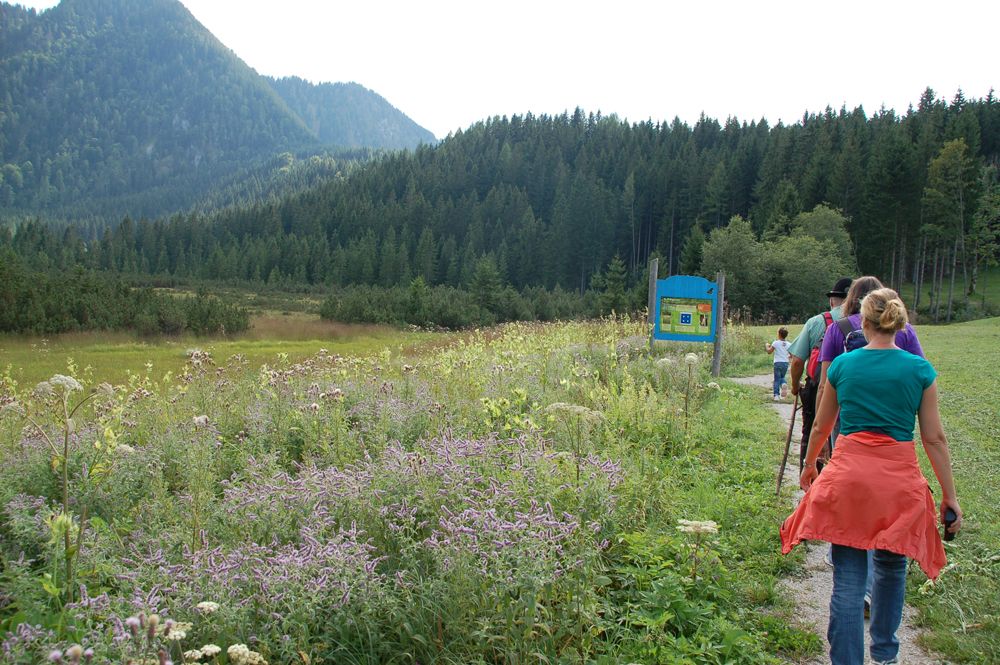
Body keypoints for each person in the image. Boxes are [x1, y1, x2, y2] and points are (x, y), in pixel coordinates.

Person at [780, 288, 962, 665]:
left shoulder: (844, 366)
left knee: (848, 580)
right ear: (900, 325)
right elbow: (934, 438)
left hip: (849, 480)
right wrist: (950, 496)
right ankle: (885, 654)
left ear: (862, 322)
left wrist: (810, 464)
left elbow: (822, 426)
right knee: (891, 568)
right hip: (898, 485)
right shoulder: (920, 370)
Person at [787, 277, 851, 470]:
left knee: (811, 434)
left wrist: (795, 386)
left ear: (832, 300)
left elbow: (797, 361)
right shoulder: (866, 323)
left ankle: (810, 477)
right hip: (850, 388)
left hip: (817, 388)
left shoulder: (817, 322)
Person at [766, 327, 791, 400]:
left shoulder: (776, 343)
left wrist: (767, 346)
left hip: (777, 363)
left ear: (779, 334)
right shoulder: (789, 344)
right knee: (782, 377)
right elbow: (791, 355)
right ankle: (784, 384)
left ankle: (776, 395)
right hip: (785, 363)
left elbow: (769, 351)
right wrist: (787, 356)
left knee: (776, 379)